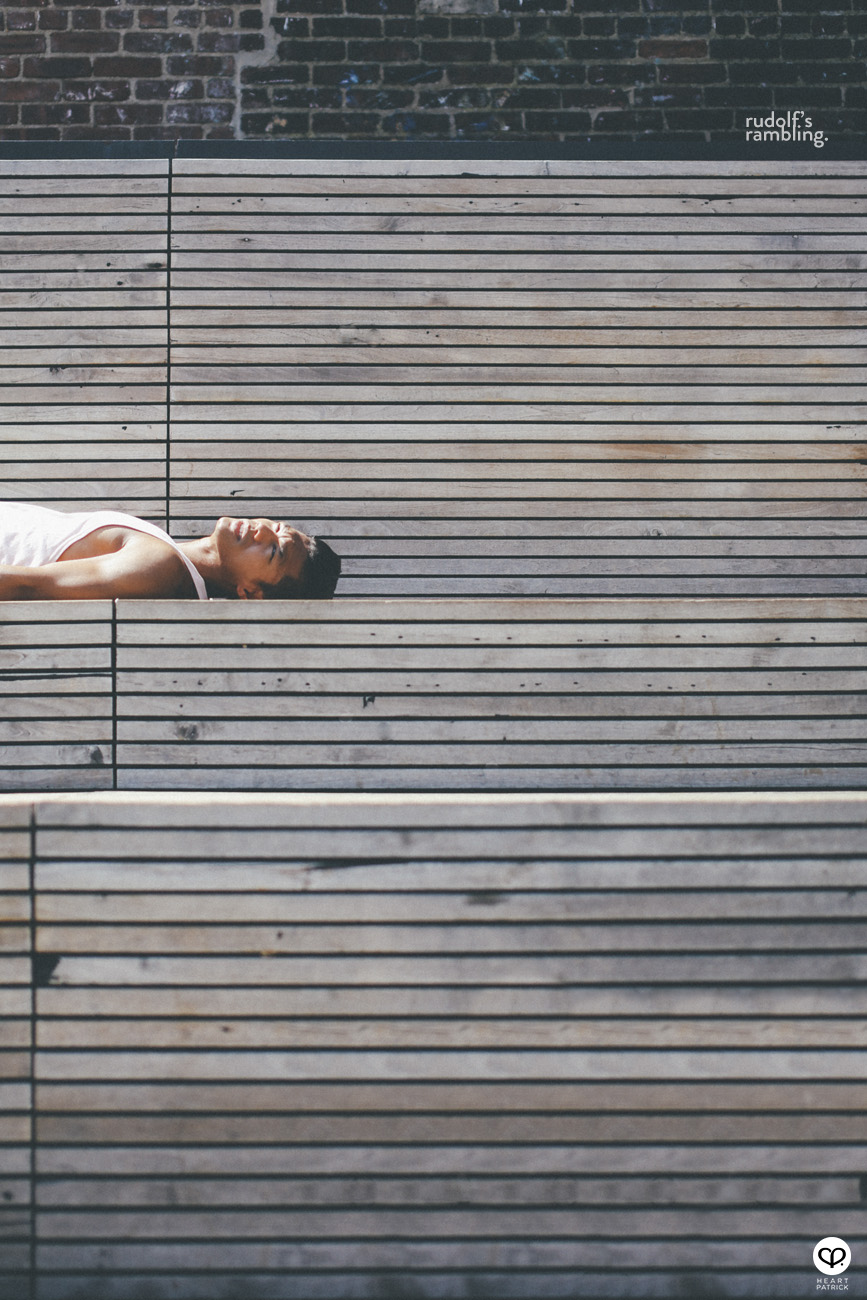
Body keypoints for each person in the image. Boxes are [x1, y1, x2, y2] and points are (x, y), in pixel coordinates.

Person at [0, 502, 341, 601]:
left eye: (273, 553)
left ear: (250, 591)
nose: (263, 529)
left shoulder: (159, 567)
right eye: (278, 526)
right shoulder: (166, 556)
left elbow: (27, 587)